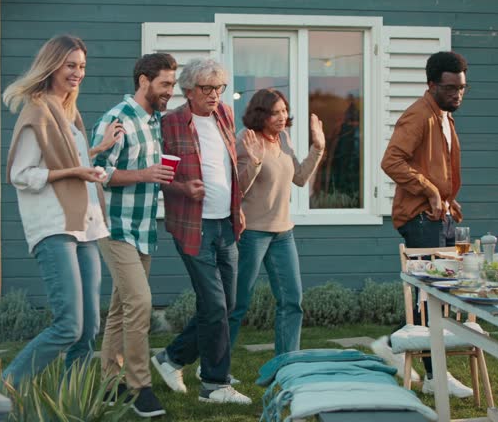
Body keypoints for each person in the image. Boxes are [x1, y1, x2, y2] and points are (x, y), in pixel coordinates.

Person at [1, 35, 122, 385]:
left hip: (84, 226)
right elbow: (20, 174)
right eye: (71, 65)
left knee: (88, 330)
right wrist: (74, 171)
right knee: (69, 325)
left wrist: (97, 149)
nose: (77, 73)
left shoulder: (68, 114)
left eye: (82, 66)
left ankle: (73, 402)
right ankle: (1, 390)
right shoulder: (38, 111)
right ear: (52, 64)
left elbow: (71, 160)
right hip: (54, 227)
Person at [151, 58, 251, 405]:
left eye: (219, 88)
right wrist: (183, 188)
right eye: (207, 89)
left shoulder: (224, 114)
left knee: (227, 304)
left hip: (226, 222)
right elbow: (160, 177)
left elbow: (228, 167)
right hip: (193, 226)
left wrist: (237, 208)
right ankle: (214, 384)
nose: (214, 95)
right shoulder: (171, 123)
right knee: (214, 306)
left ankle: (172, 358)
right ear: (189, 91)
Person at [373, 51, 473, 398]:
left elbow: (431, 165)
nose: (457, 94)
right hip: (418, 217)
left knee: (434, 296)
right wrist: (430, 191)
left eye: (462, 88)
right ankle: (432, 373)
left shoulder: (444, 115)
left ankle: (398, 348)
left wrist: (446, 198)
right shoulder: (419, 115)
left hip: (437, 213)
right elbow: (391, 161)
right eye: (450, 88)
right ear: (431, 85)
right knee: (431, 296)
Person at [91, 53, 178, 418]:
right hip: (115, 226)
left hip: (143, 228)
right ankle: (139, 385)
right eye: (165, 84)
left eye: (172, 85)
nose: (170, 92)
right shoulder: (117, 119)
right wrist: (144, 175)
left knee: (121, 309)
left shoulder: (155, 120)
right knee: (140, 303)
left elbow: (152, 172)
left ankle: (111, 382)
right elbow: (97, 172)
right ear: (143, 81)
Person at [227, 88, 325, 356]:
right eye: (275, 112)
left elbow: (300, 177)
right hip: (252, 235)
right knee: (237, 304)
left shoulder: (283, 139)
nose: (282, 117)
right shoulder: (246, 139)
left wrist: (318, 148)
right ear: (261, 114)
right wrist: (256, 162)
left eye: (284, 111)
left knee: (292, 301)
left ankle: (287, 362)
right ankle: (214, 366)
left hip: (283, 233)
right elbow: (236, 189)